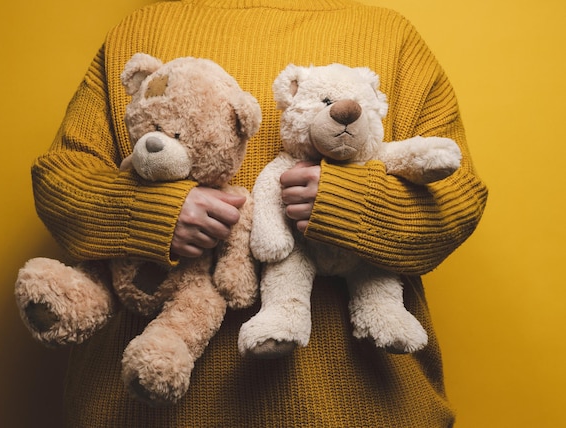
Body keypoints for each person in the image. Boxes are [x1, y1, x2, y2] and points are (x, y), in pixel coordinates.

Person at [32, 0, 488, 426]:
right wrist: (157, 211)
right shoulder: (137, 30)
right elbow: (59, 179)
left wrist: (344, 202)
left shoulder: (390, 36)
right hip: (146, 408)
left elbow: (457, 199)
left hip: (355, 405)